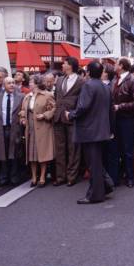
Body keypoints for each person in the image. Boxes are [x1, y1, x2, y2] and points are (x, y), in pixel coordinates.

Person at [67, 61, 114, 204]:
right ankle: (105, 185)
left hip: (90, 131)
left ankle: (95, 195)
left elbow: (82, 107)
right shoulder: (106, 87)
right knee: (97, 162)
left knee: (93, 164)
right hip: (102, 130)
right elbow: (111, 110)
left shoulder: (88, 85)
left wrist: (70, 115)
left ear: (88, 72)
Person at [110, 57, 134, 187]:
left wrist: (119, 106)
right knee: (115, 149)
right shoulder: (115, 80)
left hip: (126, 119)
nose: (114, 66)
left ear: (121, 66)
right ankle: (115, 178)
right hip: (114, 118)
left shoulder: (133, 80)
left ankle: (130, 178)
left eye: (116, 64)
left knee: (128, 150)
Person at [20, 74, 55, 187]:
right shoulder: (27, 96)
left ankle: (43, 176)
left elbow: (54, 108)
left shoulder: (47, 95)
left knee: (42, 153)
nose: (29, 84)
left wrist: (45, 115)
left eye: (31, 82)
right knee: (31, 154)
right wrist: (22, 119)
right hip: (30, 127)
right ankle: (34, 177)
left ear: (36, 83)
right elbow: (22, 111)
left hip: (42, 127)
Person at [53, 57, 83, 187]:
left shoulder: (81, 81)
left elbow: (83, 100)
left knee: (73, 149)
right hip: (59, 117)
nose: (62, 65)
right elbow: (56, 96)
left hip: (72, 117)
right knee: (60, 148)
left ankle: (72, 176)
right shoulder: (59, 80)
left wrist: (74, 113)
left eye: (64, 63)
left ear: (70, 65)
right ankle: (60, 176)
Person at [0, 77, 24, 186]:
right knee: (2, 154)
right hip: (1, 129)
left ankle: (14, 177)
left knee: (14, 153)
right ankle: (3, 178)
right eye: (9, 83)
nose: (12, 85)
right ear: (4, 85)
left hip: (15, 128)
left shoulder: (21, 97)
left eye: (13, 83)